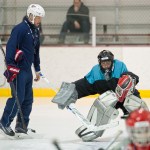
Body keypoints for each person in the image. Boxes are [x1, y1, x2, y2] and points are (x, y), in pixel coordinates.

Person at [52, 50, 148, 141]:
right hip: (109, 101)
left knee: (135, 103)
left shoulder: (119, 65)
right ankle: (94, 128)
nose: (106, 65)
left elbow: (129, 78)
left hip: (125, 97)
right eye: (103, 63)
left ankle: (145, 124)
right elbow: (85, 85)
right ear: (99, 63)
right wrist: (70, 91)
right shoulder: (95, 71)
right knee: (103, 101)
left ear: (112, 61)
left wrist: (133, 78)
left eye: (108, 62)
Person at [0, 4, 45, 137]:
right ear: (31, 16)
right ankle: (4, 122)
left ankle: (21, 125)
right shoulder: (20, 29)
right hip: (18, 70)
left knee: (28, 99)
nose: (39, 21)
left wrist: (37, 69)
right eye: (38, 18)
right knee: (17, 97)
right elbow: (10, 47)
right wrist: (11, 67)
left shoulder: (35, 31)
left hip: (27, 71)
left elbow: (36, 52)